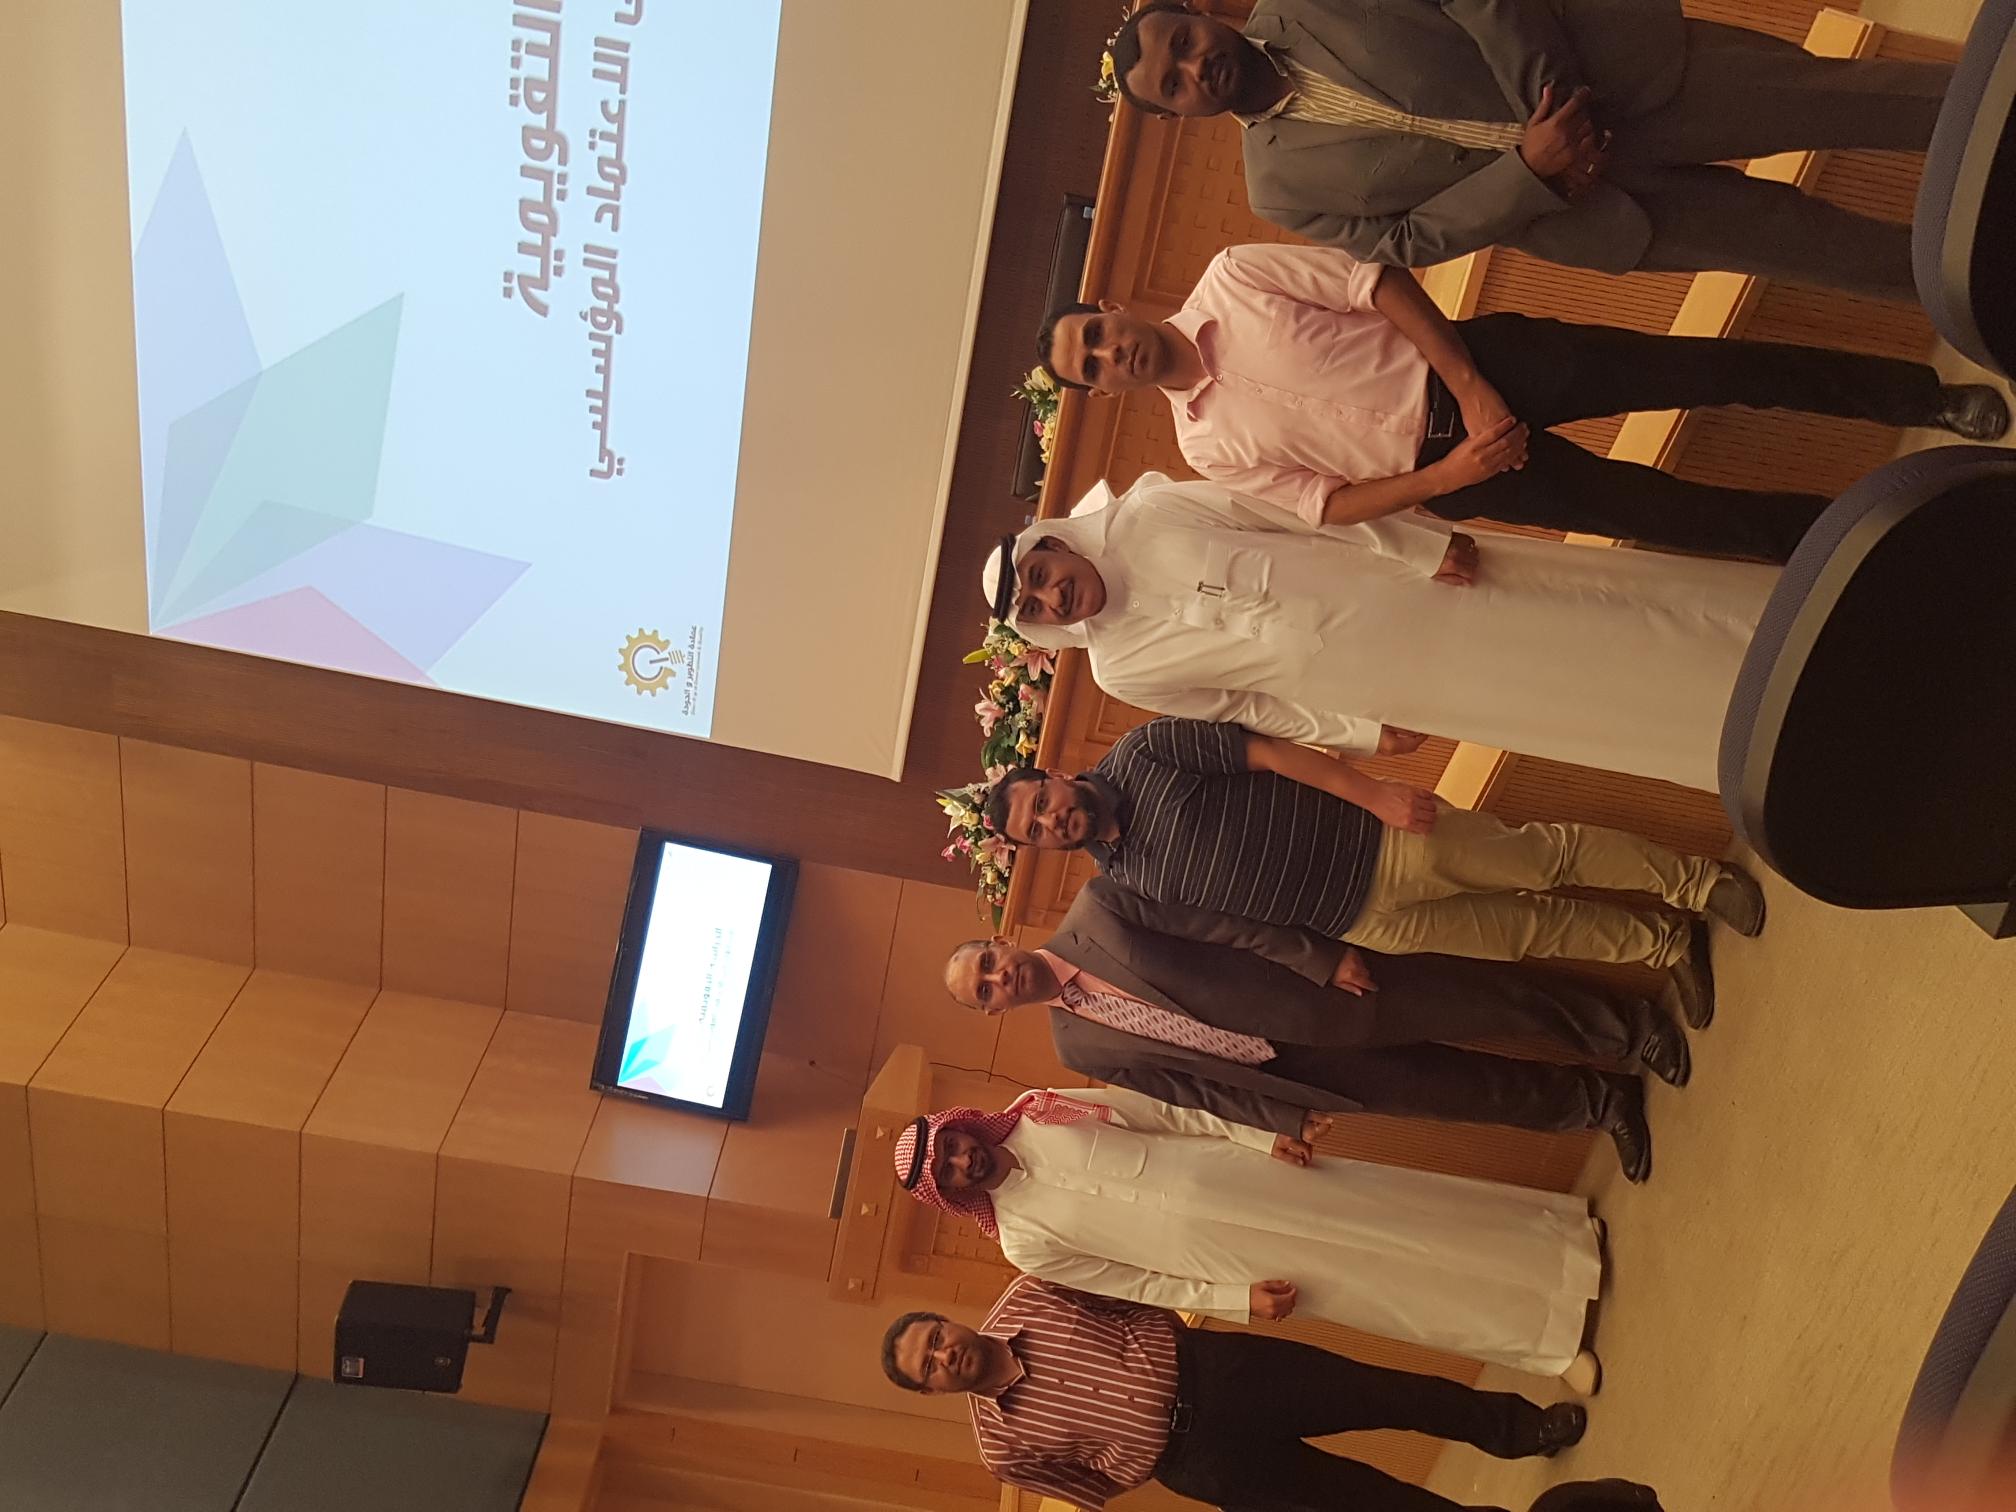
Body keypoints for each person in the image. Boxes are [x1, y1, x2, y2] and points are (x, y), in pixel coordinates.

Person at [1034, 242, 2008, 562]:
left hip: (1486, 364)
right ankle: (1890, 545)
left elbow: (1376, 284)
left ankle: (1923, 397)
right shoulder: (1203, 448)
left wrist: (1469, 385)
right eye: (1094, 367)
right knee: (1677, 518)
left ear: (1112, 308)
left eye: (1097, 334)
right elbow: (1323, 504)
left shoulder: (1232, 275)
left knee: (1717, 372)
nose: (1111, 353)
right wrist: (1449, 475)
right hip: (1462, 471)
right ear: (1102, 391)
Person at [1106, 0, 1957, 302]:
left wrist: (1551, 109)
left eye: (1183, 42)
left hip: (1619, 72)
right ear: (1177, 115)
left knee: (1861, 102)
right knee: (1813, 249)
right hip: (1593, 213)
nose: (1196, 67)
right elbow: (1404, 242)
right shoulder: (1277, 190)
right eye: (1174, 83)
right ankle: (1981, 283)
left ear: (1200, 14)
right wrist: (1532, 172)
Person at [982, 468, 1776, 790]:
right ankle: (1742, 741)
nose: (1054, 598)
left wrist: (1421, 549)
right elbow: (1246, 707)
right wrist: (1356, 732)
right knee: (1564, 702)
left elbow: (1300, 513)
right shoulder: (1119, 670)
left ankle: (1769, 632)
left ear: (1055, 544)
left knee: (1590, 612)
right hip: (1390, 680)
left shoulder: (1152, 512)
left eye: (1042, 576)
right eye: (1036, 609)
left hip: (1415, 586)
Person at [983, 716, 1753, 1020]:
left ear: (1054, 776)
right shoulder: (1121, 874)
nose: (1050, 821)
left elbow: (1271, 753)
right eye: (1035, 832)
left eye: (1041, 803)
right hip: (1366, 920)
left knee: (1546, 858)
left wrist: (1376, 794)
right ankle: (1667, 945)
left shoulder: (1145, 751)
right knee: (1526, 931)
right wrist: (1325, 956)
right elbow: (1238, 921)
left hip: (1383, 840)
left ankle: (1698, 883)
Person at [943, 874, 1679, 1181]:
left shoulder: (1099, 907)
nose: (997, 979)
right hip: (1294, 1070)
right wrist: (1281, 1115)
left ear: (1000, 941)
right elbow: (1189, 1088)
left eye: (987, 963)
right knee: (1461, 1091)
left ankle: (1630, 1026)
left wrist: (1318, 957)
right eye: (984, 992)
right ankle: (1601, 1103)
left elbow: (1224, 924)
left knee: (1488, 1001)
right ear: (991, 1012)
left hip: (1320, 990)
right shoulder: (1074, 1045)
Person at [889, 1085, 1606, 1385]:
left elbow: (1163, 1113)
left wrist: (1259, 1138)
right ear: (945, 1193)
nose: (960, 1160)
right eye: (946, 1171)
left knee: (1407, 1210)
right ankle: (1547, 1342)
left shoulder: (1038, 1109)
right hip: (1226, 1258)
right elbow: (1138, 1284)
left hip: (1246, 1176)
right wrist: (1235, 1301)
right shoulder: (1021, 1242)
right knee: (1389, 1295)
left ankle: (1565, 1243)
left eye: (951, 1146)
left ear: (959, 1128)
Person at [880, 1274, 1590, 1512]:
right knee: (1361, 1504)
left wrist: (1176, 1356)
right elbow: (1094, 1488)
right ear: (932, 1391)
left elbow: (1130, 1296)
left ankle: (1523, 1429)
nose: (944, 1354)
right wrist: (1154, 1449)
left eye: (935, 1338)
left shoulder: (1030, 1293)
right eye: (929, 1367)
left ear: (947, 1320)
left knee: (1385, 1394)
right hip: (1202, 1465)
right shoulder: (1000, 1449)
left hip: (1222, 1372)